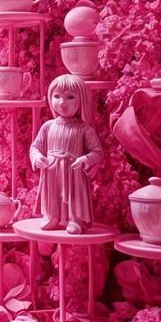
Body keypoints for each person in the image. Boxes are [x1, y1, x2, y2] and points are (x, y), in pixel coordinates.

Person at [30, 73, 103, 234]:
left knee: (75, 196)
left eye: (70, 97)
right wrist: (37, 157)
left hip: (73, 170)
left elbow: (97, 152)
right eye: (57, 96)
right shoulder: (48, 126)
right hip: (51, 169)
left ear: (81, 100)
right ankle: (51, 217)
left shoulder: (84, 129)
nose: (62, 102)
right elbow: (35, 146)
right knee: (51, 194)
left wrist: (86, 159)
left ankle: (75, 220)